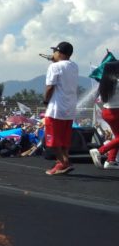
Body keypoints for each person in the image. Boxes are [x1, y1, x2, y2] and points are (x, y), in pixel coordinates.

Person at [42, 41, 79, 175]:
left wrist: (45, 101)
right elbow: (64, 70)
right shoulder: (74, 66)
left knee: (52, 140)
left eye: (55, 52)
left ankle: (63, 162)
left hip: (56, 108)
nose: (53, 54)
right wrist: (54, 61)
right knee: (64, 139)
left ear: (60, 53)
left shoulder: (54, 67)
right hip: (70, 108)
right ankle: (63, 161)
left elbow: (50, 86)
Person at [90, 61, 119, 169]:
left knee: (117, 137)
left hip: (107, 111)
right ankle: (100, 151)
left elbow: (101, 100)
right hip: (117, 112)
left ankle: (110, 161)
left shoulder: (105, 84)